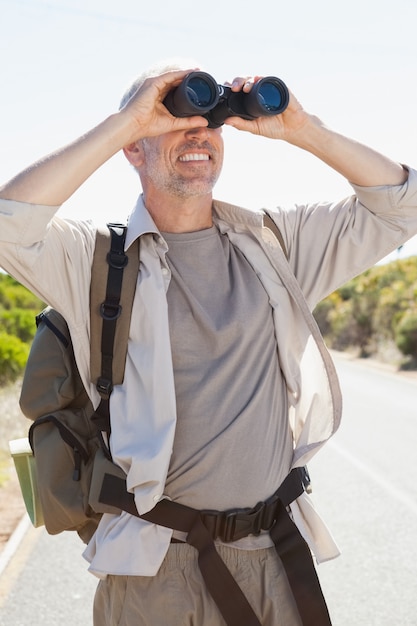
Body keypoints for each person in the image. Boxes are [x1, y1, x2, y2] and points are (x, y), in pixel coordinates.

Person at [1, 59, 417, 626]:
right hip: (155, 571)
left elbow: (402, 205)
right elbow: (8, 223)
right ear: (133, 149)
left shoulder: (275, 246)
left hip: (272, 555)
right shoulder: (95, 262)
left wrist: (302, 128)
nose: (198, 134)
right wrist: (129, 121)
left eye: (211, 122)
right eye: (174, 120)